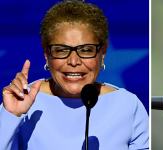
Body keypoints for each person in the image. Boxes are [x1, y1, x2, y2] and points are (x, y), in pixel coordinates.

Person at [0, 1, 148, 149]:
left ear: (102, 52)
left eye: (86, 50)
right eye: (61, 50)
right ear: (47, 54)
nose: (73, 61)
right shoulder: (20, 102)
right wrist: (10, 115)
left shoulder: (127, 105)